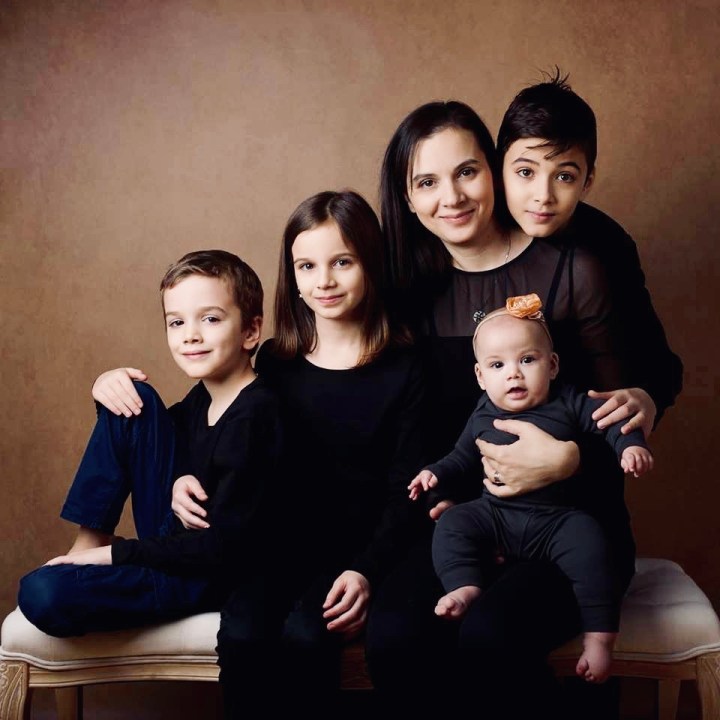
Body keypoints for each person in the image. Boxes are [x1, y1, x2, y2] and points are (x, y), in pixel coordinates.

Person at [366, 97, 680, 719]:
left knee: (492, 635)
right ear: (407, 197)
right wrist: (446, 495)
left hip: (573, 520)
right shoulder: (407, 287)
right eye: (427, 182)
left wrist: (568, 462)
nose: (452, 197)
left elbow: (618, 405)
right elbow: (410, 429)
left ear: (493, 170)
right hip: (473, 521)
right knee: (395, 635)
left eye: (467, 172)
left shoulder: (579, 262)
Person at [93, 191, 428, 717]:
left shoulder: (406, 369)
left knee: (307, 636)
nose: (324, 281)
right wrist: (175, 469)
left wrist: (367, 570)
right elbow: (195, 423)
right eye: (307, 266)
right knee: (244, 633)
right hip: (277, 549)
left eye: (342, 262)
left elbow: (404, 489)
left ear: (370, 263)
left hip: (360, 549)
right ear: (291, 274)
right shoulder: (276, 360)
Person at [17, 250, 282, 638]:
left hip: (208, 573)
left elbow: (224, 548)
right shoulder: (201, 399)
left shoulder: (257, 415)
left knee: (42, 592)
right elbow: (141, 439)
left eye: (210, 319)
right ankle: (88, 541)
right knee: (131, 396)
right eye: (177, 322)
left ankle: (97, 554)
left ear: (250, 332)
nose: (190, 335)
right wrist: (106, 385)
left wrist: (115, 556)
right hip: (175, 543)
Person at [408, 294, 653, 684]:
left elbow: (613, 423)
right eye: (498, 365)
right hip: (496, 516)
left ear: (552, 365)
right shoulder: (482, 411)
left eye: (527, 360)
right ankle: (465, 586)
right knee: (453, 523)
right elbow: (461, 455)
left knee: (591, 545)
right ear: (480, 376)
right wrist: (434, 473)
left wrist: (631, 447)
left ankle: (599, 639)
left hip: (556, 520)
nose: (513, 375)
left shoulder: (570, 402)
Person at [496, 68, 683, 428]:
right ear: (500, 169)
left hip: (583, 431)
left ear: (587, 181)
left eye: (564, 176)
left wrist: (648, 396)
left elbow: (660, 363)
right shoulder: (478, 225)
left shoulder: (607, 244)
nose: (543, 195)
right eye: (525, 172)